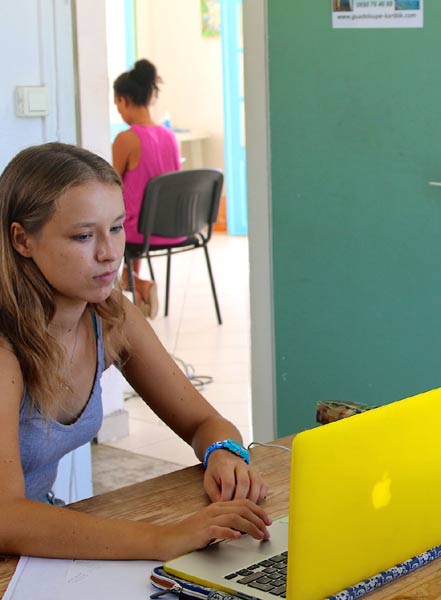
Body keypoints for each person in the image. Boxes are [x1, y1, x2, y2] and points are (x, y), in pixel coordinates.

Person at [0, 142, 270, 560]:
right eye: (84, 235)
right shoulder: (4, 349)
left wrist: (224, 455)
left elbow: (203, 422)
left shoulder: (108, 316)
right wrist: (164, 538)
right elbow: (6, 518)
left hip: (31, 550)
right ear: (22, 240)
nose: (109, 253)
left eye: (116, 227)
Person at [112, 58, 183, 318]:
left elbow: (111, 184)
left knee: (110, 220)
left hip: (139, 232)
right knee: (135, 215)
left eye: (117, 104)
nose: (118, 111)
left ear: (123, 100)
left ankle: (134, 282)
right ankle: (132, 281)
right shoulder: (169, 135)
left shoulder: (126, 139)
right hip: (174, 228)